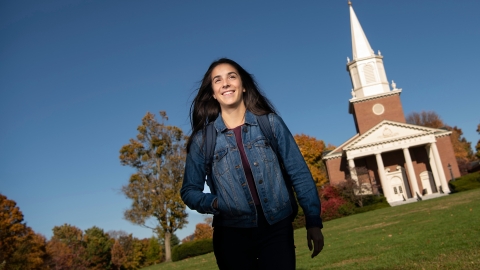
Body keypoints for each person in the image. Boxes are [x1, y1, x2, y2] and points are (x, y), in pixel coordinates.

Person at [181, 58, 324, 269]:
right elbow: (189, 191)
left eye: (232, 76)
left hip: (277, 228)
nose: (226, 83)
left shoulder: (270, 123)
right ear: (213, 93)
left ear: (244, 86)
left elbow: (299, 173)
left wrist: (313, 221)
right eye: (217, 80)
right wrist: (215, 203)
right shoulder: (203, 140)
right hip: (231, 235)